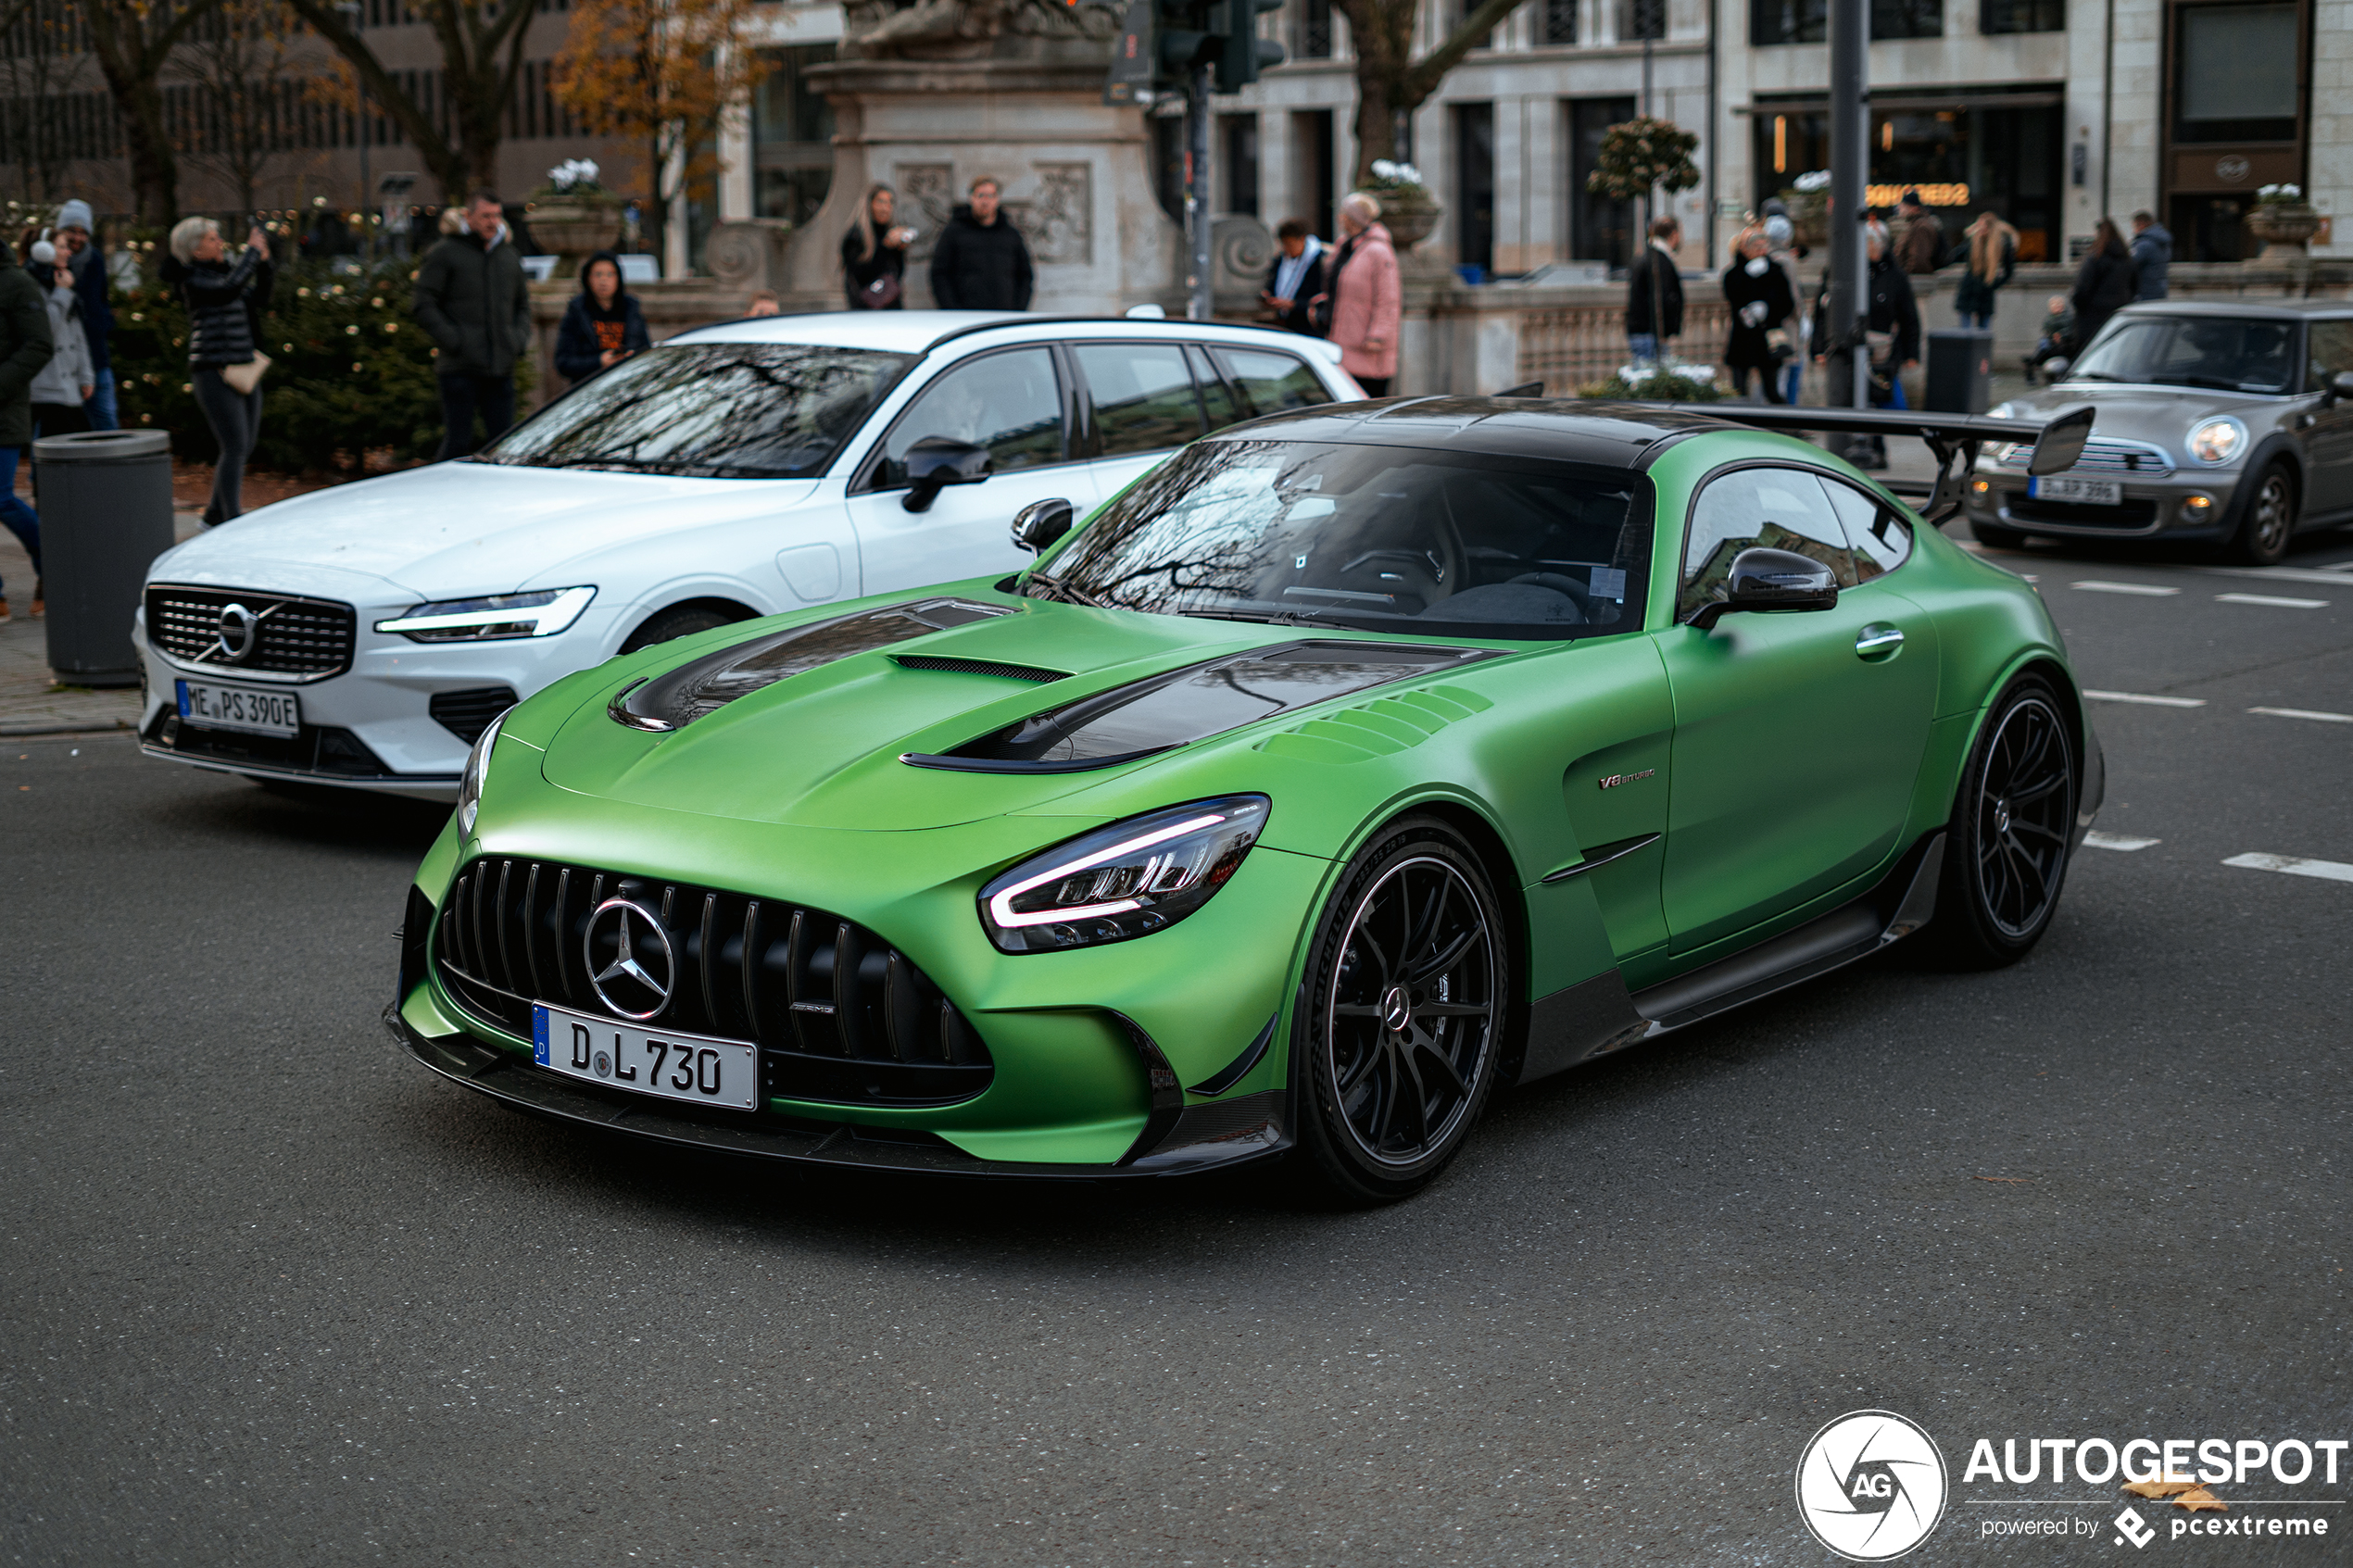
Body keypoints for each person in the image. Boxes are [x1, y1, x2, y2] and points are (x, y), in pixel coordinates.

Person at [161, 216, 272, 526]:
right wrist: (251, 254)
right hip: (213, 370)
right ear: (195, 250)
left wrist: (263, 264)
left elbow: (259, 297)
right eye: (212, 239)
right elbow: (228, 289)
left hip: (243, 368)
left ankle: (213, 514)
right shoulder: (193, 279)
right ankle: (230, 519)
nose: (219, 242)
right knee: (235, 445)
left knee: (244, 445)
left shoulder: (226, 275)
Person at [413, 189, 532, 460]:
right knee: (458, 441)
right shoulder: (445, 253)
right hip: (459, 368)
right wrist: (455, 341)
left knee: (503, 445)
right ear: (468, 217)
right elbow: (423, 303)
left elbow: (523, 305)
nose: (493, 221)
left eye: (497, 215)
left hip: (501, 366)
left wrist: (517, 340)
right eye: (486, 216)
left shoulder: (508, 256)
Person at [0, 233, 52, 623]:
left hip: (3, 411)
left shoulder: (16, 282)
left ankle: (52, 569)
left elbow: (38, 344)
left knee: (1, 499)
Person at [1324, 192, 1402, 395]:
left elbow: (1388, 298)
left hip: (1366, 346)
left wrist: (1377, 336)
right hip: (1342, 339)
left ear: (1352, 218)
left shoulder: (1379, 251)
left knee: (1367, 400)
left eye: (1343, 213)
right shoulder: (1346, 247)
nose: (1340, 218)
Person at [53, 200, 115, 430]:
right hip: (62, 358)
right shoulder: (51, 262)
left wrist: (104, 323)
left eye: (82, 233)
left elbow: (102, 299)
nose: (77, 238)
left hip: (96, 353)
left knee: (106, 417)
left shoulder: (95, 260)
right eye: (72, 231)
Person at [928, 177, 1033, 311]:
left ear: (997, 200)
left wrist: (1019, 308)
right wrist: (952, 309)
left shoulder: (1010, 234)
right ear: (972, 198)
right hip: (966, 315)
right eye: (980, 195)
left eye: (990, 196)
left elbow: (1024, 274)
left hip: (1005, 314)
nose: (985, 201)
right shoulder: (954, 232)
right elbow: (940, 273)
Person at [552, 250, 649, 389]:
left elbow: (645, 350)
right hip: (588, 388)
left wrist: (629, 357)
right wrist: (599, 362)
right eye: (598, 275)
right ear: (588, 278)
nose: (604, 280)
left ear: (618, 278)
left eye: (610, 274)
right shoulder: (577, 311)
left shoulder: (631, 309)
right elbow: (563, 363)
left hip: (626, 385)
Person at [24, 240, 93, 438]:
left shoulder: (65, 280)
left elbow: (78, 335)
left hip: (68, 387)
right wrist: (62, 292)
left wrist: (85, 375)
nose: (68, 252)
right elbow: (44, 329)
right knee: (57, 452)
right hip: (45, 386)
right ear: (43, 250)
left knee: (65, 451)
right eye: (62, 247)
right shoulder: (31, 284)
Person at [1720, 227, 1794, 403]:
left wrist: (1768, 308)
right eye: (1756, 247)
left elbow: (1787, 304)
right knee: (1738, 390)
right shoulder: (1734, 274)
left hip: (1768, 338)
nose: (1761, 251)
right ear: (1745, 249)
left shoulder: (1776, 271)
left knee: (1772, 391)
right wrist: (1748, 278)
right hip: (1742, 338)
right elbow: (1733, 295)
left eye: (1764, 246)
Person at [2070, 217, 2137, 354]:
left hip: (2092, 316)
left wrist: (2079, 306)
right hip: (2118, 314)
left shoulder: (2096, 259)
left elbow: (2082, 289)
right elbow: (2135, 286)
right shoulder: (2127, 259)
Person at [841, 183, 913, 310]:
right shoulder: (856, 237)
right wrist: (884, 247)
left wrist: (899, 249)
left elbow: (896, 276)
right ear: (870, 205)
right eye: (880, 202)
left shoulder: (890, 232)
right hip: (866, 309)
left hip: (891, 306)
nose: (886, 208)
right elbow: (860, 276)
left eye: (890, 203)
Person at [1625, 216, 1684, 366]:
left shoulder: (1645, 257)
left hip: (1641, 330)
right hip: (1650, 331)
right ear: (1674, 235)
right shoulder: (1659, 261)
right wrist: (1665, 329)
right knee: (1650, 376)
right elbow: (1663, 297)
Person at [1947, 212, 2018, 329]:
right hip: (1968, 291)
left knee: (1984, 334)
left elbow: (2009, 272)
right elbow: (1953, 256)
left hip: (1986, 293)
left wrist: (1994, 284)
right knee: (1965, 335)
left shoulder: (2001, 245)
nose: (1980, 229)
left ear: (1990, 228)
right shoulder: (1972, 242)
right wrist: (1969, 236)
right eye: (1978, 225)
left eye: (1982, 226)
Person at [1262, 218, 1327, 336]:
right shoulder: (1281, 259)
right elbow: (1271, 284)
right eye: (1284, 245)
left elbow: (1323, 298)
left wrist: (1293, 305)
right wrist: (1268, 296)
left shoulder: (1321, 262)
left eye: (1290, 244)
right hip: (1285, 323)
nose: (1287, 249)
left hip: (1310, 327)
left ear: (1302, 239)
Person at [2024, 295, 2076, 384]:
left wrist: (2062, 335)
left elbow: (2071, 330)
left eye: (2059, 305)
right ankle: (2031, 364)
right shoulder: (2049, 319)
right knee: (2042, 348)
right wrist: (2052, 336)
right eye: (2054, 306)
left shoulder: (2068, 317)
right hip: (2051, 341)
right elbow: (2046, 330)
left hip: (2065, 343)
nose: (2057, 308)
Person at [1894, 191, 1944, 275]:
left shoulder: (1921, 228)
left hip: (1916, 282)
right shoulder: (1915, 225)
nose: (1899, 208)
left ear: (1914, 208)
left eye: (1903, 206)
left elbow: (1919, 261)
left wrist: (1903, 276)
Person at [2130, 210, 2172, 301]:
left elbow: (2130, 264)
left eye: (2134, 227)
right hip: (2160, 289)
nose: (2134, 231)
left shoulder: (2144, 244)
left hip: (2145, 292)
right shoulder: (2162, 242)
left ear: (2141, 225)